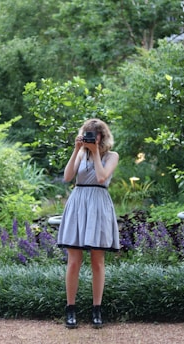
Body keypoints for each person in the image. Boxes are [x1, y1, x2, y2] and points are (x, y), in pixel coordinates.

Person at [57, 118, 120, 329]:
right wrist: (76, 150)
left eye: (95, 134)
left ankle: (97, 310)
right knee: (73, 261)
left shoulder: (112, 156)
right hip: (78, 203)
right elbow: (67, 177)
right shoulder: (81, 154)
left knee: (97, 262)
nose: (91, 137)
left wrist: (94, 153)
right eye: (87, 133)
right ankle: (70, 309)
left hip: (99, 205)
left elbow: (102, 177)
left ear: (102, 136)